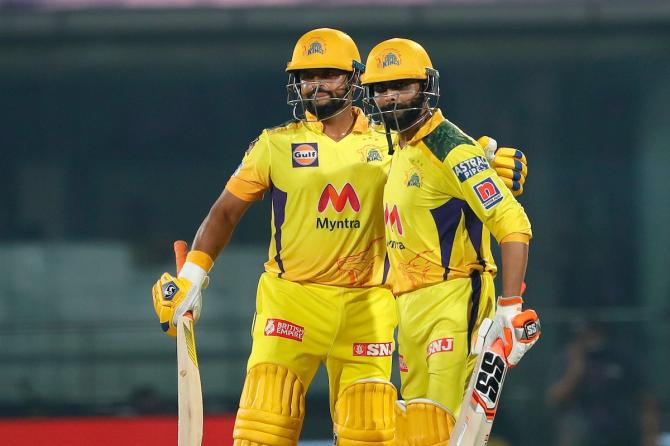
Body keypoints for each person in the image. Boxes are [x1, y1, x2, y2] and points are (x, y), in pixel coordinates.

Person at [151, 29, 528, 445]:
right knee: (265, 426)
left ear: (353, 77)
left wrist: (487, 161)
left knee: (370, 433)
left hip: (370, 306)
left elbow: (435, 161)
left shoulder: (389, 142)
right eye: (306, 76)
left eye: (327, 74)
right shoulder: (275, 144)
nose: (315, 85)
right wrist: (192, 275)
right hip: (292, 300)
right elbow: (224, 211)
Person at [360, 38, 540, 444]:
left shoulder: (451, 148)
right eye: (382, 89)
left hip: (455, 299)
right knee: (416, 431)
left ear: (426, 88)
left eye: (401, 86)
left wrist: (511, 308)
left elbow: (512, 222)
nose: (390, 97)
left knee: (443, 427)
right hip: (405, 308)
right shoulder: (395, 148)